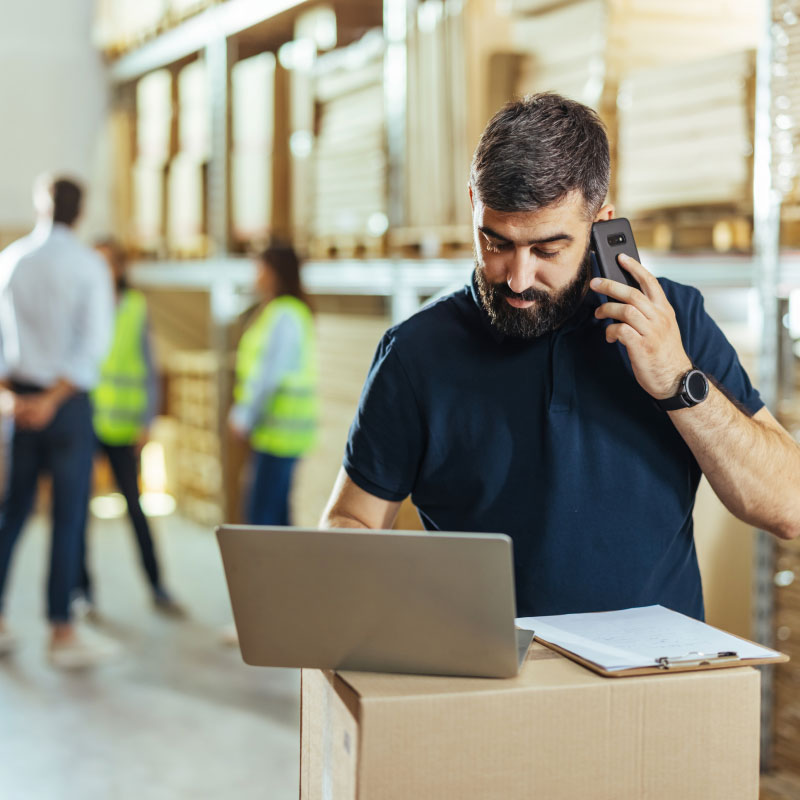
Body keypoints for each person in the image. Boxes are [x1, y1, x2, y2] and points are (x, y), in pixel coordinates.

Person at [320, 93, 800, 620]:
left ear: (602, 222)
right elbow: (353, 522)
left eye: (547, 250)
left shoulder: (674, 320)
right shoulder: (416, 353)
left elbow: (789, 507)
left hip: (654, 687)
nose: (519, 278)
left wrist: (677, 380)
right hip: (490, 684)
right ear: (473, 206)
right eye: (496, 242)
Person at [0, 175, 115, 667]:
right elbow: (94, 347)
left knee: (13, 510)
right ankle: (61, 629)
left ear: (39, 206)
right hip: (66, 405)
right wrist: (53, 400)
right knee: (68, 517)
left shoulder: (11, 260)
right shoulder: (90, 265)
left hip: (21, 400)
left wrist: (15, 400)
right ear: (81, 211)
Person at [75, 238, 184, 618]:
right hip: (86, 424)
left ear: (120, 268)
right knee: (78, 512)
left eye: (109, 263)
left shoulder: (136, 307)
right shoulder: (82, 303)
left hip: (124, 427)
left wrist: (147, 421)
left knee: (135, 509)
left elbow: (149, 369)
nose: (103, 271)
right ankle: (83, 591)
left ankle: (157, 584)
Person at [228, 244, 317, 526]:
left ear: (275, 273)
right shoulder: (281, 311)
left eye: (260, 268)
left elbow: (269, 373)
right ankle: (291, 571)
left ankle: (275, 571)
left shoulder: (285, 315)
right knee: (277, 516)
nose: (256, 275)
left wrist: (244, 415)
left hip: (281, 433)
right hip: (275, 431)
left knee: (261, 518)